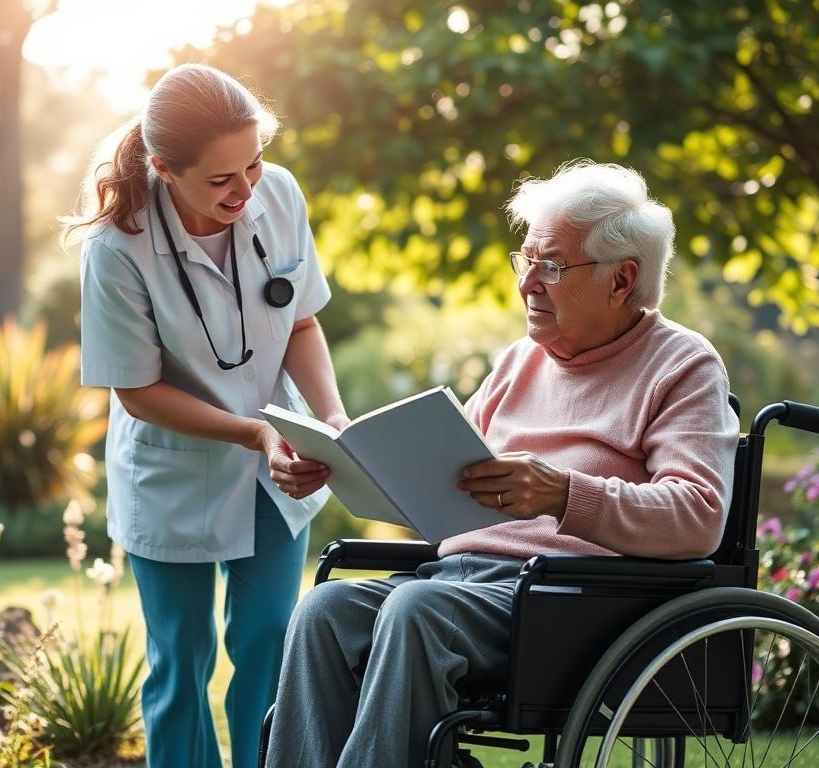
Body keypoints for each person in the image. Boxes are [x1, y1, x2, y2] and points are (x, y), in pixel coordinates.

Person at [265, 160, 741, 768]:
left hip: (569, 603)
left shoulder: (682, 365)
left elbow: (698, 516)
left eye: (554, 266)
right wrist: (346, 467)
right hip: (458, 582)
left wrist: (563, 494)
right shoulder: (520, 361)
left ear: (622, 280)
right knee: (324, 612)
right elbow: (443, 478)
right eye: (527, 261)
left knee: (416, 612)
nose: (528, 285)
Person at [70, 64, 348, 768]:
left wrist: (333, 416)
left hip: (278, 468)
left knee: (267, 646)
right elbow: (137, 391)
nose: (246, 189)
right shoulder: (118, 247)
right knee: (181, 665)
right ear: (164, 168)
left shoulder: (279, 194)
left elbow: (303, 324)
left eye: (252, 164)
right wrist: (254, 429)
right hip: (173, 470)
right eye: (221, 179)